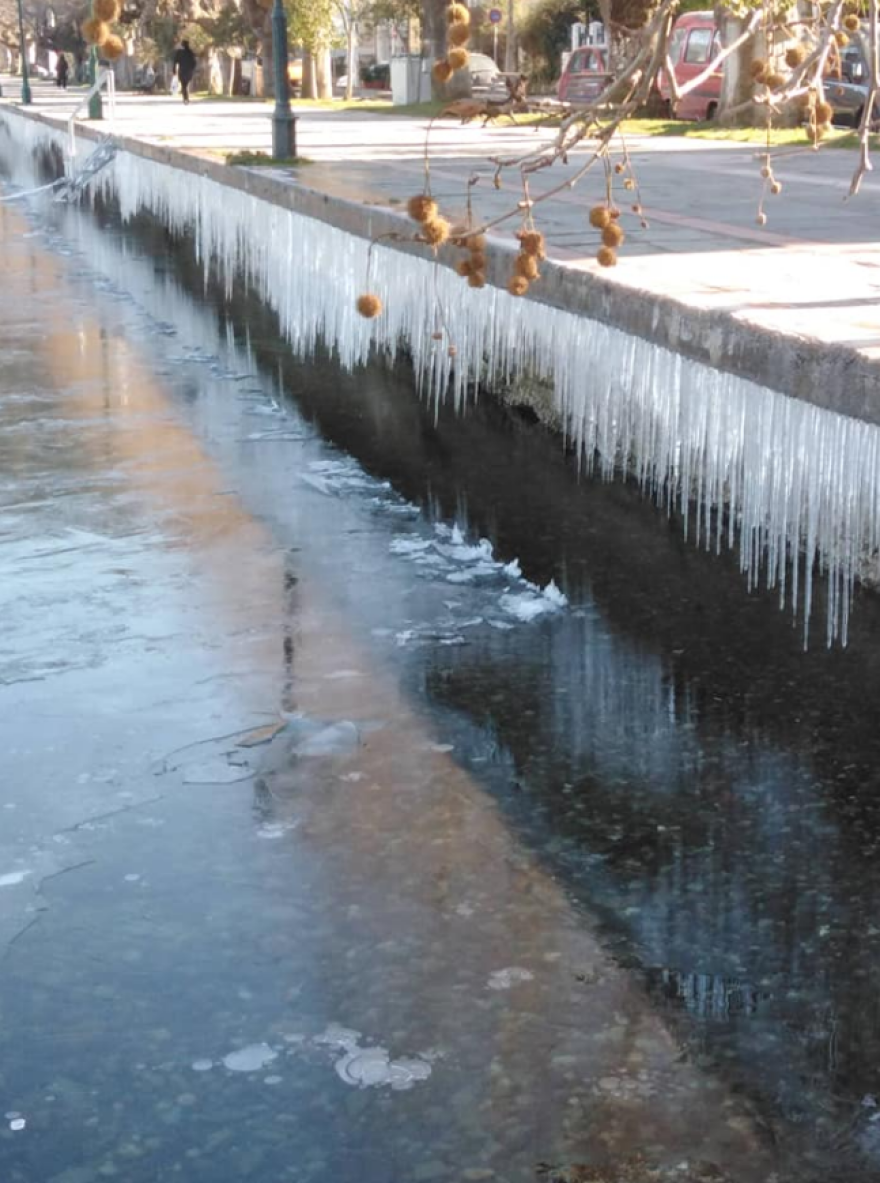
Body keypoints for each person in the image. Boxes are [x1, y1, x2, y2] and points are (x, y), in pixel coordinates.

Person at [172, 39, 196, 105]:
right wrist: (192, 69)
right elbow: (194, 62)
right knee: (185, 85)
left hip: (182, 71)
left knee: (183, 85)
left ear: (182, 45)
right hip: (188, 72)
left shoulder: (179, 52)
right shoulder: (190, 52)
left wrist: (174, 70)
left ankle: (185, 98)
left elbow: (175, 62)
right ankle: (186, 98)